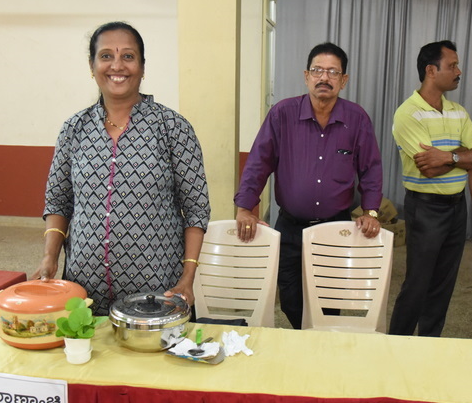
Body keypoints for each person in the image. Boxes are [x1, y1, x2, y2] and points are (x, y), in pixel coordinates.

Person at [34, 22, 210, 314]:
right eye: (106, 56)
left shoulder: (172, 128)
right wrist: (49, 257)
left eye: (128, 56)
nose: (117, 65)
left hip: (156, 291)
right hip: (84, 288)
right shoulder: (74, 129)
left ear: (142, 67)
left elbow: (196, 209)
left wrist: (187, 278)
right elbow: (58, 202)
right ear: (92, 66)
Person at [234, 42, 383, 330]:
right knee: (290, 296)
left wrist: (371, 211)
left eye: (333, 72)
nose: (324, 77)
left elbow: (371, 169)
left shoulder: (357, 119)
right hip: (290, 226)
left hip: (334, 227)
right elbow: (259, 162)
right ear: (306, 76)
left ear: (344, 80)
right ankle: (306, 335)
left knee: (329, 298)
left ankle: (321, 343)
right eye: (317, 70)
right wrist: (244, 208)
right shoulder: (282, 114)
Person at [388, 40, 472, 337]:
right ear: (431, 70)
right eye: (452, 66)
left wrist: (448, 157)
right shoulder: (408, 113)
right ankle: (398, 342)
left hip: (457, 207)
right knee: (418, 283)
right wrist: (461, 156)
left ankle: (430, 343)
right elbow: (428, 168)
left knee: (444, 283)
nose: (459, 71)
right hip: (425, 208)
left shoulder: (459, 112)